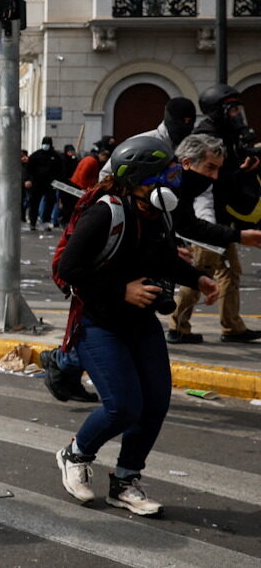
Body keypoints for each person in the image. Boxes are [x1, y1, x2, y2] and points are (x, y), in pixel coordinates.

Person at [54, 135, 217, 516]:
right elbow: (69, 271)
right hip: (98, 323)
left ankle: (126, 480)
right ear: (143, 179)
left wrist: (198, 279)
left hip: (140, 323)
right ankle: (75, 454)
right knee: (123, 406)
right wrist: (120, 290)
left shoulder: (156, 213)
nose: (175, 178)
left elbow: (163, 260)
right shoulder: (105, 213)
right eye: (168, 173)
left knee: (155, 403)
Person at [166, 84, 261, 344]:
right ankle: (178, 326)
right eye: (231, 109)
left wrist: (243, 170)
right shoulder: (205, 139)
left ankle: (230, 326)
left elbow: (220, 181)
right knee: (199, 273)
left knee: (226, 271)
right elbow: (200, 200)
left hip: (216, 219)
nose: (237, 115)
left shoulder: (224, 137)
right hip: (208, 218)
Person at [26, 136, 64, 231]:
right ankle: (33, 222)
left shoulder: (55, 156)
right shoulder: (36, 155)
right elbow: (28, 169)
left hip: (49, 184)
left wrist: (57, 181)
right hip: (36, 183)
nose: (46, 146)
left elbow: (60, 170)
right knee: (34, 203)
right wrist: (28, 180)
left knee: (50, 202)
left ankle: (46, 222)